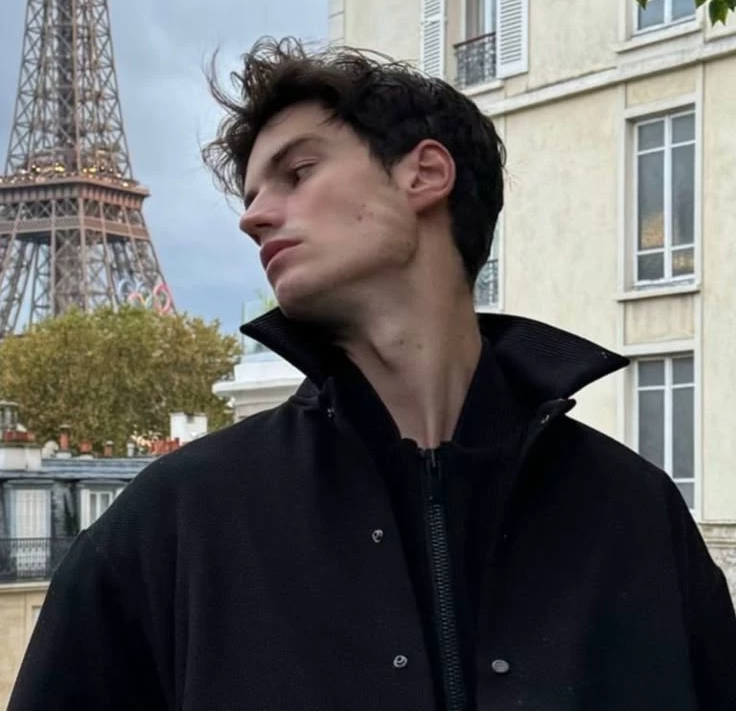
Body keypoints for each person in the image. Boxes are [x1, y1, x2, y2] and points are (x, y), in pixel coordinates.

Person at [8, 37, 736, 711]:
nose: (252, 218)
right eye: (251, 196)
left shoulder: (636, 515)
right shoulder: (171, 526)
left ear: (426, 174)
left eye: (297, 173)